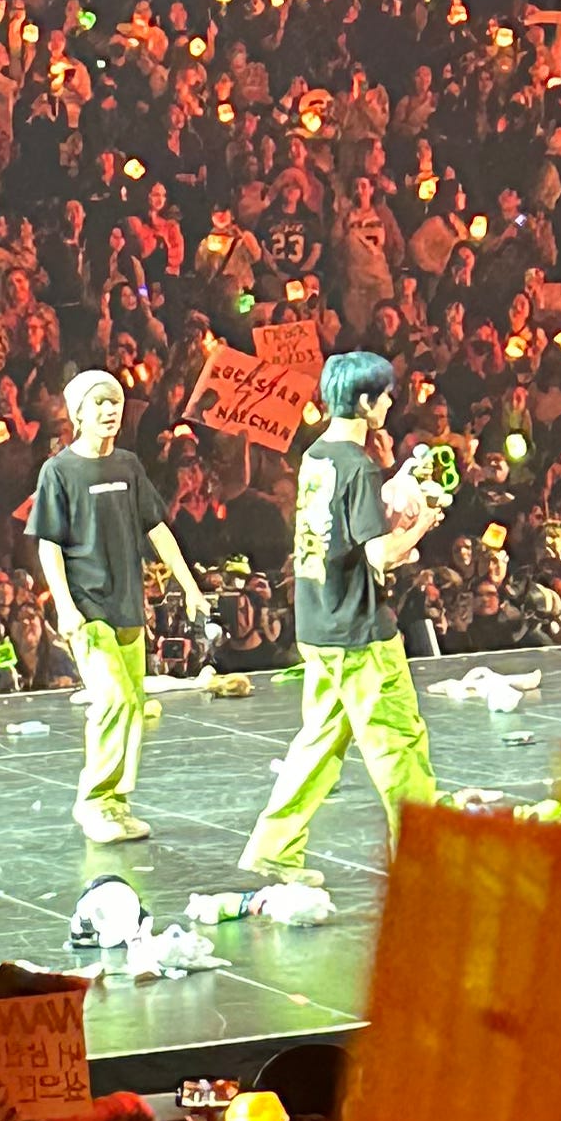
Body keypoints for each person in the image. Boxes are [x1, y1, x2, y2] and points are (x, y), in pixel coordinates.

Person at [238, 351, 438, 877]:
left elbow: (338, 536)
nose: (390, 404)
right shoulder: (356, 466)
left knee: (319, 743)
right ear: (366, 401)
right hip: (359, 630)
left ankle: (273, 847)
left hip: (318, 621)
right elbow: (379, 554)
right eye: (385, 396)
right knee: (399, 744)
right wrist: (422, 524)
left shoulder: (316, 456)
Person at [28, 368, 207, 847]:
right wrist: (65, 606)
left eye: (115, 403)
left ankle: (116, 802)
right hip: (88, 607)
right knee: (114, 700)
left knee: (134, 706)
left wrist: (188, 585)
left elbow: (157, 528)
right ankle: (92, 801)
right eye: (100, 403)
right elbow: (48, 544)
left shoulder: (128, 465)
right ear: (78, 413)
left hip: (128, 603)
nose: (110, 411)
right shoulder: (59, 471)